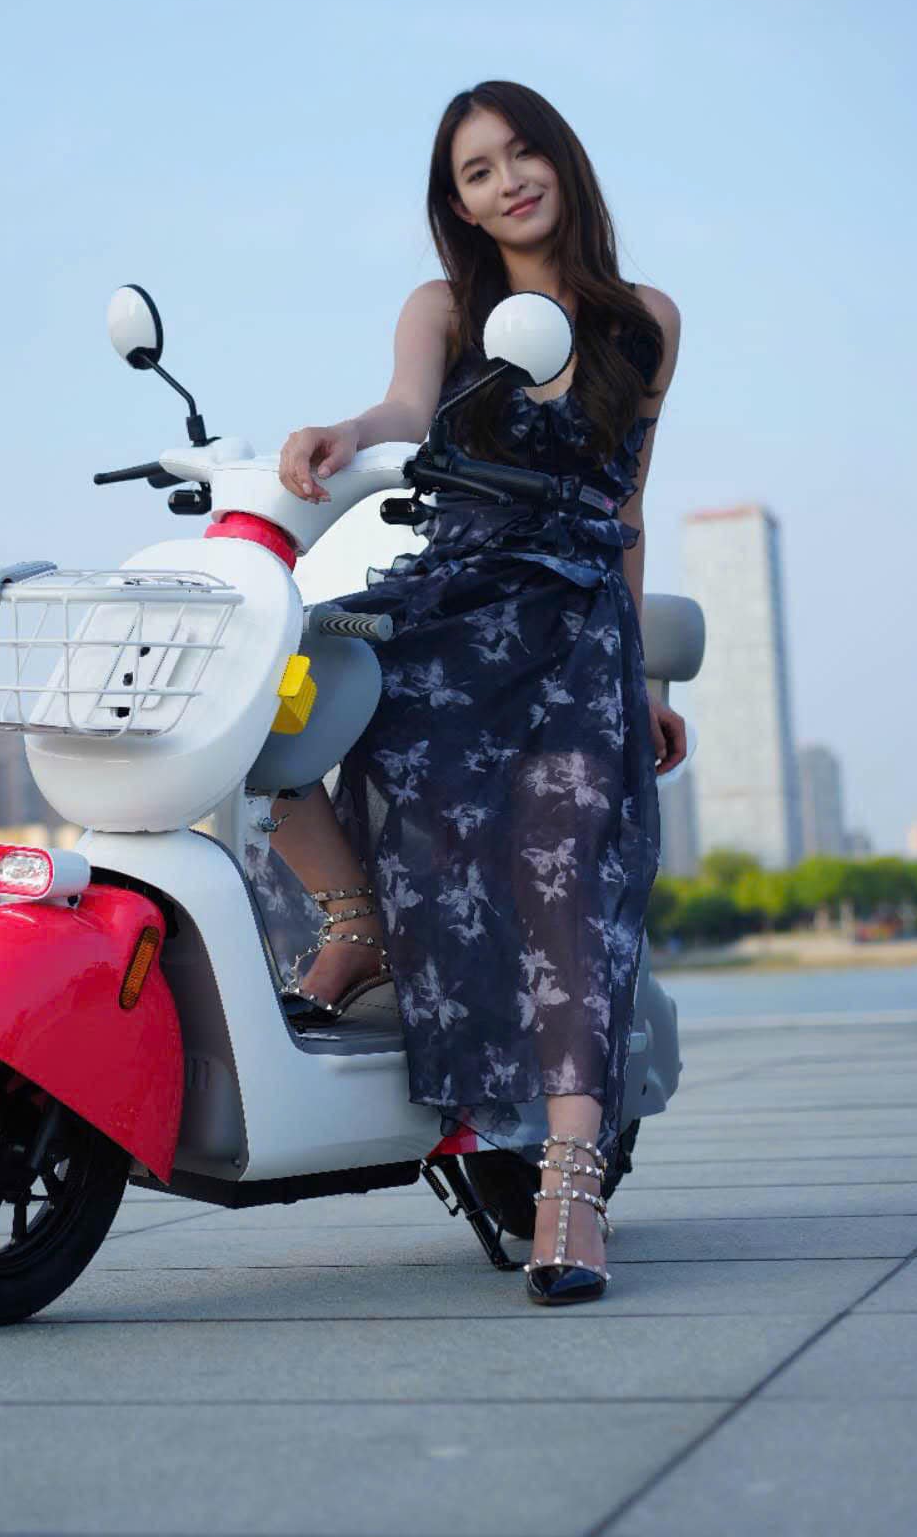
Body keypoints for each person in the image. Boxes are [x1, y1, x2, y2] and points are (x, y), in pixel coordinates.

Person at [265, 80, 684, 1306]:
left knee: (563, 872)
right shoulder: (444, 307)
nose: (507, 182)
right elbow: (405, 409)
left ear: (561, 159)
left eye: (520, 153)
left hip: (573, 629)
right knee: (270, 698)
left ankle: (570, 1181)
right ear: (456, 204)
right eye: (476, 171)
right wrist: (347, 431)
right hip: (452, 597)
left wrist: (639, 673)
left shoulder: (645, 320)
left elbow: (626, 503)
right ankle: (354, 921)